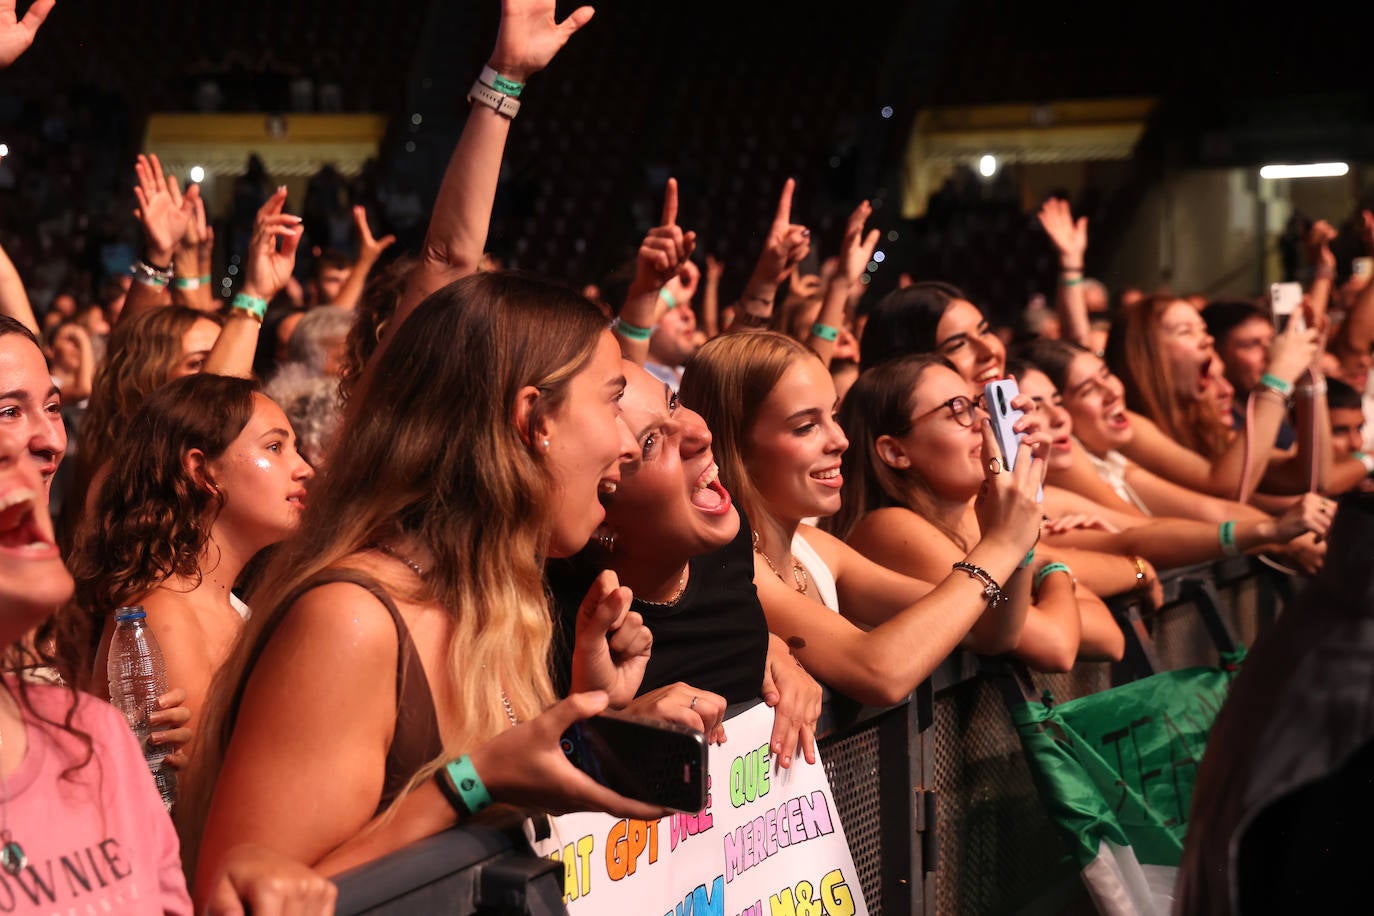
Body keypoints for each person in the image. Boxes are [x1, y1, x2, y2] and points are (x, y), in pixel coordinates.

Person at [182, 3, 670, 902]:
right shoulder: (354, 623)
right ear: (533, 420)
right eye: (612, 399)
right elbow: (242, 901)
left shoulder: (500, 602)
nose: (632, 438)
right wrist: (465, 788)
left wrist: (607, 720)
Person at [679, 331, 1046, 703]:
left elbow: (992, 630)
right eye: (806, 426)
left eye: (834, 416)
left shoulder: (816, 548)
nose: (840, 439)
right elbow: (879, 671)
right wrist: (1001, 545)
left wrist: (1020, 543)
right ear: (733, 446)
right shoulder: (732, 565)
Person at [548, 360, 823, 766]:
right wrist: (610, 734)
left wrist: (777, 650)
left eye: (673, 403)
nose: (701, 433)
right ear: (599, 512)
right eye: (649, 442)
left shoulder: (726, 545)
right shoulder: (554, 622)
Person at [831, 352, 1125, 670]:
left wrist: (1042, 566)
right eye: (958, 410)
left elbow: (1110, 637)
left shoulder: (978, 516)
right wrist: (1053, 569)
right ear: (895, 451)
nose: (983, 425)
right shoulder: (888, 526)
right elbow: (1055, 645)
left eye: (976, 406)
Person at [68, 374, 314, 732]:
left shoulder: (218, 605)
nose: (304, 468)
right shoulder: (161, 618)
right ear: (201, 470)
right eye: (275, 447)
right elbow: (190, 784)